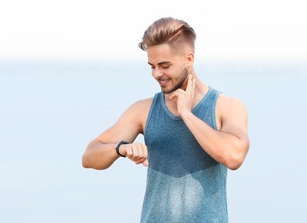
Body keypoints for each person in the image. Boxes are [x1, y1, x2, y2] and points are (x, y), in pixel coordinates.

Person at [82, 17, 250, 222]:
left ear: (189, 59)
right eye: (152, 66)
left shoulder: (226, 106)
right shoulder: (143, 110)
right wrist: (121, 148)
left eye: (164, 65)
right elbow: (89, 157)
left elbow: (234, 157)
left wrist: (187, 114)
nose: (156, 74)